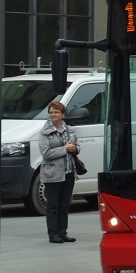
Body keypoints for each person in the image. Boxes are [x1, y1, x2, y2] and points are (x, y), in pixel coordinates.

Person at [39, 101, 80, 244]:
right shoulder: (45, 132)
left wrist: (74, 149)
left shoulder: (70, 130)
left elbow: (77, 147)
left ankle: (63, 232)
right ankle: (53, 234)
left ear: (63, 114)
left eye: (56, 112)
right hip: (52, 173)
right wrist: (65, 149)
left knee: (64, 204)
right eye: (51, 112)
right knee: (53, 206)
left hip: (69, 171)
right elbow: (46, 153)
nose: (53, 115)